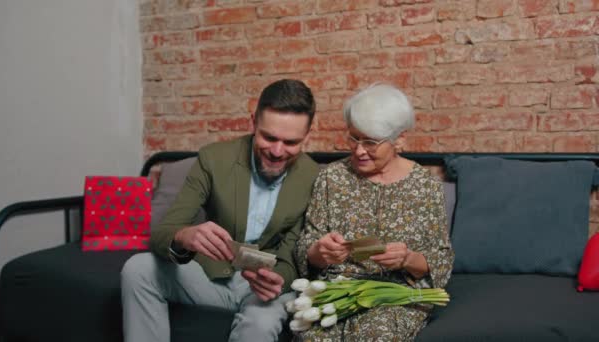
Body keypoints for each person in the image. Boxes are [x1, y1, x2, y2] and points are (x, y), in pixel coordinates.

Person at [121, 79, 320, 342]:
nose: (277, 151)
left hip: (265, 290)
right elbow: (162, 233)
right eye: (268, 137)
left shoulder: (313, 177)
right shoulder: (214, 158)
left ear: (307, 136)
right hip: (210, 275)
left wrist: (276, 280)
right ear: (253, 123)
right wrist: (184, 236)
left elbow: (295, 252)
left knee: (260, 323)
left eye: (291, 142)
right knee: (138, 269)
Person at [294, 84, 454, 341]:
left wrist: (407, 259)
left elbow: (441, 260)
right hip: (336, 292)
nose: (359, 150)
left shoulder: (425, 186)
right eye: (354, 138)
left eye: (370, 142)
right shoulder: (331, 178)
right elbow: (305, 247)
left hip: (393, 296)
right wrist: (319, 252)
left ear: (399, 139)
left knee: (376, 334)